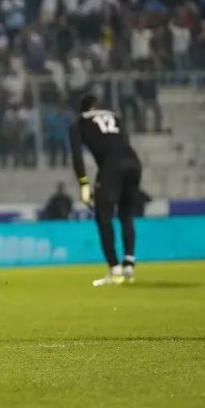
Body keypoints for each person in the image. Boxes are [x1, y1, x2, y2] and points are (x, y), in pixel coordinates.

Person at [70, 93, 144, 287]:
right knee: (126, 214)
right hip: (133, 162)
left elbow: (77, 157)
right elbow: (123, 141)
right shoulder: (115, 117)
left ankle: (114, 269)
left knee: (103, 216)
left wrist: (84, 183)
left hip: (112, 167)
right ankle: (129, 264)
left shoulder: (79, 123)